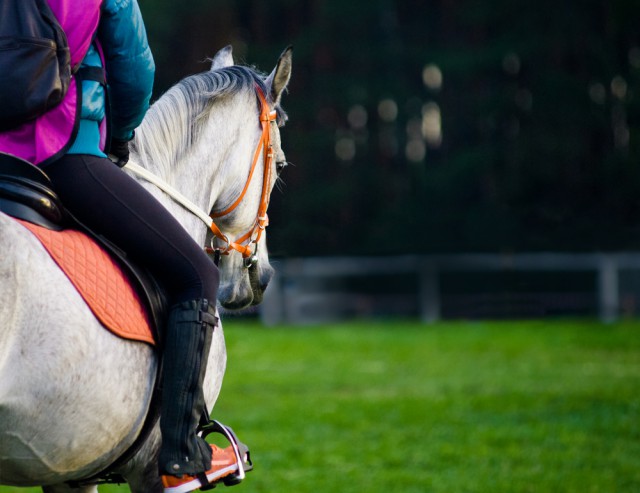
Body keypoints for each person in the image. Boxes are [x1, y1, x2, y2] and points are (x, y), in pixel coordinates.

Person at [0, 0, 244, 491]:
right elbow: (133, 68)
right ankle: (181, 454)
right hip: (65, 155)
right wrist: (123, 136)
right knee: (198, 275)